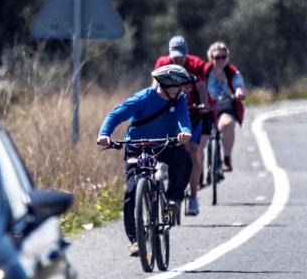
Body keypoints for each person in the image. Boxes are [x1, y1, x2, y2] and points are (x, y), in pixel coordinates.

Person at [97, 65, 194, 256]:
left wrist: (185, 132)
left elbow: (184, 120)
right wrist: (104, 134)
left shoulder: (180, 99)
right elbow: (116, 114)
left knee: (183, 158)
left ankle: (173, 200)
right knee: (131, 191)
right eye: (179, 86)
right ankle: (135, 240)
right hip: (136, 146)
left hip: (164, 144)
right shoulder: (144, 98)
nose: (182, 89)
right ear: (168, 85)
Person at [154, 36, 210, 216]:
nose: (178, 60)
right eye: (175, 56)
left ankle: (193, 198)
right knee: (164, 145)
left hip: (191, 115)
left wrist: (204, 105)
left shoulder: (194, 65)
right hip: (169, 114)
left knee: (193, 150)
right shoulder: (163, 63)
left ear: (186, 53)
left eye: (181, 56)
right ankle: (163, 173)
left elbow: (200, 87)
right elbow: (155, 85)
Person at [204, 41, 245, 172]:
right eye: (217, 57)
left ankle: (226, 158)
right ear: (211, 58)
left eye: (223, 57)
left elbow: (238, 85)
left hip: (226, 102)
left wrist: (239, 93)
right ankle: (198, 174)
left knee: (227, 124)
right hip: (207, 102)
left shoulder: (232, 72)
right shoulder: (205, 71)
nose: (220, 60)